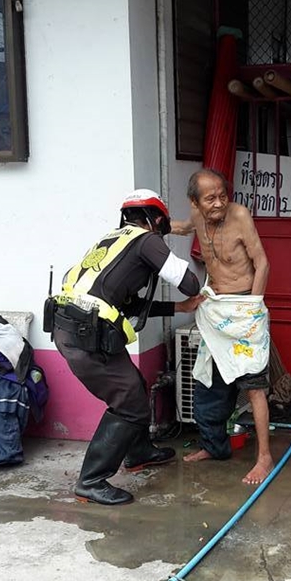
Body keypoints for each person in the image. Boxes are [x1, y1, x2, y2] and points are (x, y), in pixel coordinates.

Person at [49, 189, 202, 506]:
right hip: (87, 335)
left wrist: (179, 308)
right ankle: (91, 480)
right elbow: (190, 283)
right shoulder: (147, 241)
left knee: (134, 385)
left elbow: (130, 304)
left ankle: (139, 451)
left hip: (77, 328)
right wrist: (182, 276)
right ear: (157, 219)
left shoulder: (115, 241)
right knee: (129, 404)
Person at [171, 168, 273, 486]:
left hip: (245, 309)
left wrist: (253, 309)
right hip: (215, 312)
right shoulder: (197, 216)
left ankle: (264, 458)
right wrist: (144, 224)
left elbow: (262, 262)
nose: (218, 203)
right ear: (195, 201)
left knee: (253, 386)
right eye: (210, 198)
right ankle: (213, 447)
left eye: (222, 195)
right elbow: (181, 226)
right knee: (208, 382)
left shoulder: (240, 215)